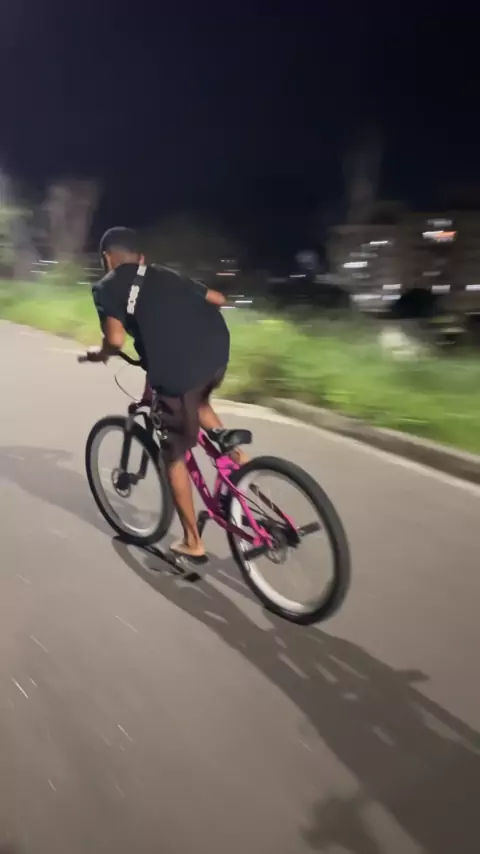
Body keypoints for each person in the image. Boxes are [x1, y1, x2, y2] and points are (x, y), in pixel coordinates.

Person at [83, 226, 233, 564]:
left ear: (107, 258)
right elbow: (218, 299)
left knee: (173, 453)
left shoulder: (107, 287)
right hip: (216, 354)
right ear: (141, 258)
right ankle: (242, 466)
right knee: (198, 399)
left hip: (177, 370)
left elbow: (116, 340)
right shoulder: (163, 273)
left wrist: (100, 353)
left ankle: (192, 541)